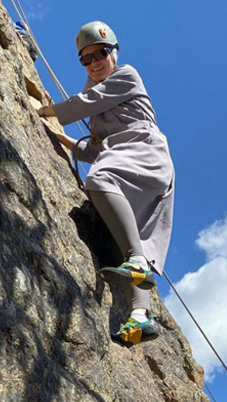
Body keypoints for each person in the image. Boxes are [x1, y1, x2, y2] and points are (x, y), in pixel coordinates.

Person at [31, 21, 175, 345]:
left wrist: (42, 110)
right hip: (143, 164)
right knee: (134, 236)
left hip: (143, 152)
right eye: (86, 59)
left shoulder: (126, 76)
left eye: (101, 54)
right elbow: (95, 149)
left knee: (100, 180)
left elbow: (81, 104)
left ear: (114, 53)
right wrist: (63, 141)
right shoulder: (100, 111)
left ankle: (136, 261)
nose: (95, 62)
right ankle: (140, 317)